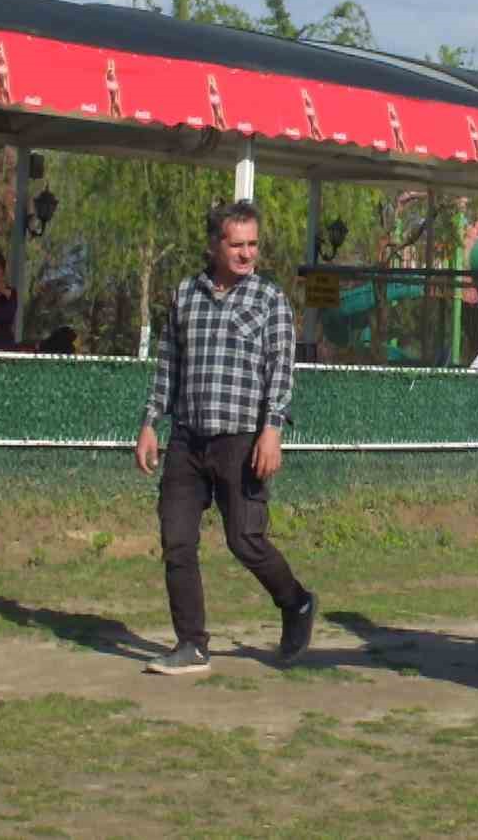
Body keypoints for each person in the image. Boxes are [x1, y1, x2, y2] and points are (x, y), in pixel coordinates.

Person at [134, 199, 315, 676]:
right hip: (187, 438)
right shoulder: (185, 295)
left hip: (242, 440)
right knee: (177, 540)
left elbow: (281, 370)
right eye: (237, 244)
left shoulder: (269, 299)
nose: (246, 253)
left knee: (245, 539)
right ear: (215, 244)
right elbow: (168, 365)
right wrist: (150, 422)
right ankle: (191, 645)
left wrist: (272, 430)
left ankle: (296, 603)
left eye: (253, 244)